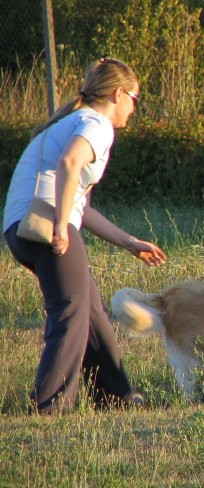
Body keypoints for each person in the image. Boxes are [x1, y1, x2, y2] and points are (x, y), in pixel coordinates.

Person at [2, 57, 168, 414]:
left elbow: (83, 207)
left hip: (20, 228)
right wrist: (62, 225)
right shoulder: (96, 123)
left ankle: (117, 397)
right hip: (47, 226)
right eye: (135, 100)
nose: (134, 110)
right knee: (71, 311)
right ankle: (50, 406)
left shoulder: (71, 121)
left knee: (91, 310)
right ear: (118, 93)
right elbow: (69, 164)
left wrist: (129, 242)